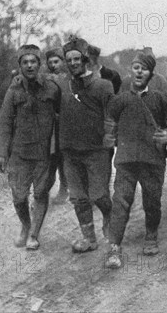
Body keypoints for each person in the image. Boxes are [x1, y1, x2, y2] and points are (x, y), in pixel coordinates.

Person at [104, 49, 167, 269]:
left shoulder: (159, 98)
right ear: (131, 71)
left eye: (145, 69)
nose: (139, 72)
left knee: (152, 201)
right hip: (126, 160)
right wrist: (110, 136)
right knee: (120, 201)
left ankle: (151, 234)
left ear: (151, 73)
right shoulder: (121, 98)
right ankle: (114, 247)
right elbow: (110, 119)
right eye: (136, 68)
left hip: (152, 160)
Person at [0, 45, 61, 250]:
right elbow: (4, 123)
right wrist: (0, 153)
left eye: (33, 61)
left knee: (41, 193)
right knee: (19, 197)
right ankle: (25, 225)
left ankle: (33, 235)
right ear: (20, 66)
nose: (30, 65)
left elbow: (63, 116)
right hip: (19, 153)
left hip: (44, 153)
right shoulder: (13, 90)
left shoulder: (52, 88)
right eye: (25, 62)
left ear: (40, 64)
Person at [58, 36, 115, 253]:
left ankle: (110, 216)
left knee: (99, 195)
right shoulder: (62, 86)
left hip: (96, 150)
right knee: (79, 198)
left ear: (85, 59)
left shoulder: (103, 85)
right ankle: (89, 239)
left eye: (76, 59)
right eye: (69, 60)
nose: (73, 63)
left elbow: (111, 114)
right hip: (70, 151)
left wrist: (110, 136)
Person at [44, 48, 71, 205]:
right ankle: (42, 193)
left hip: (65, 124)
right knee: (50, 158)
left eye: (56, 61)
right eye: (51, 62)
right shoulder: (45, 80)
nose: (53, 65)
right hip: (49, 125)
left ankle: (64, 189)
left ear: (63, 62)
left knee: (63, 158)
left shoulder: (69, 79)